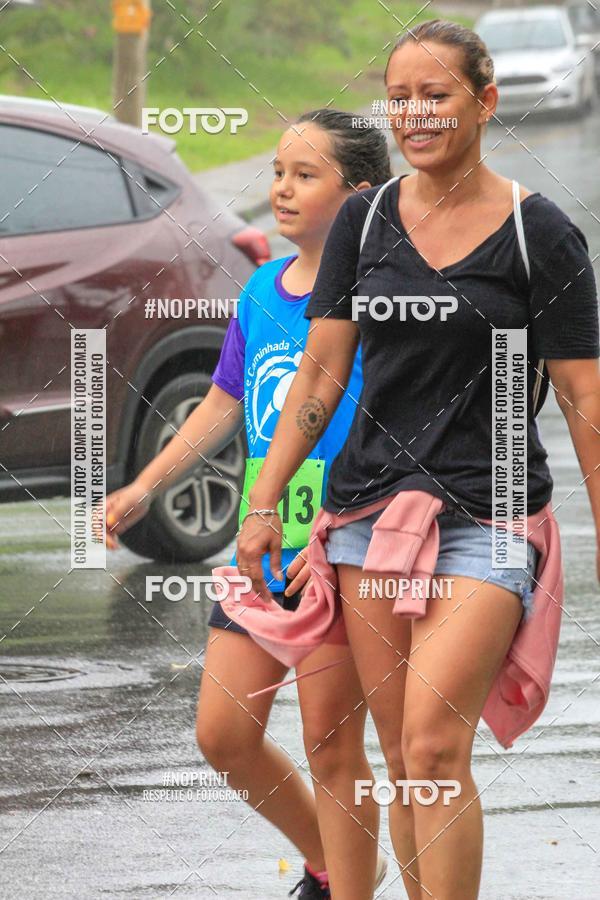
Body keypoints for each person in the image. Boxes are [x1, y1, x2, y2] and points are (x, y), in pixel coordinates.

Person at [236, 20, 600, 900]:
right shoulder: (363, 221)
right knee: (402, 754)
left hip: (491, 517)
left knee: (436, 743)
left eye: (435, 94)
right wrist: (266, 499)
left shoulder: (536, 234)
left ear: (485, 102)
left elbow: (586, 400)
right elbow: (321, 370)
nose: (414, 112)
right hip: (365, 519)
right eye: (400, 96)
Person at [104, 108, 392, 899]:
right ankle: (331, 865)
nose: (282, 190)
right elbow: (223, 405)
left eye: (306, 176)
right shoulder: (264, 288)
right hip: (263, 543)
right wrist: (143, 485)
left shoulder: (381, 296)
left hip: (345, 545)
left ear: (359, 193)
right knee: (224, 735)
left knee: (332, 745)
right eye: (277, 173)